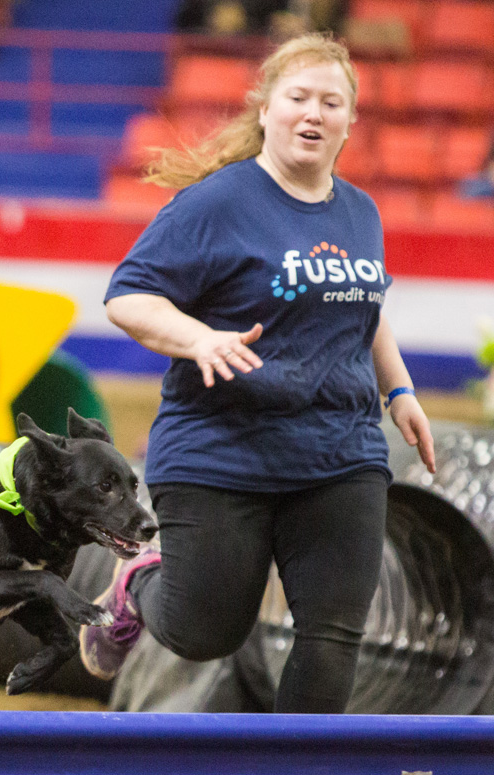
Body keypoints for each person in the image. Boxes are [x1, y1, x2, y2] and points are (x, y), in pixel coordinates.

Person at [78, 32, 436, 714]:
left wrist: (400, 391)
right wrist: (200, 339)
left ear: (349, 121)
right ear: (266, 109)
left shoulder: (360, 211)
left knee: (332, 640)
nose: (314, 113)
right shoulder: (218, 202)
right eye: (298, 97)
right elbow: (129, 296)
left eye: (331, 102)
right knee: (203, 631)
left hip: (340, 451)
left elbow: (365, 306)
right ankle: (132, 586)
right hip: (222, 449)